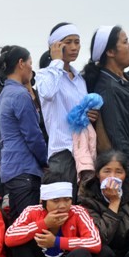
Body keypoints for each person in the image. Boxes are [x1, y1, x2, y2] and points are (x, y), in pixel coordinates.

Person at [82, 26, 129, 185]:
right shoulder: (109, 87)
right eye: (125, 42)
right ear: (110, 52)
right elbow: (118, 134)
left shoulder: (122, 81)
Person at [35, 23, 98, 199]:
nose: (74, 47)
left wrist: (90, 116)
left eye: (77, 42)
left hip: (83, 151)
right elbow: (47, 93)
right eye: (67, 42)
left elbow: (78, 110)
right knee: (62, 208)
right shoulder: (45, 74)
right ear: (55, 45)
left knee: (82, 205)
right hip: (62, 152)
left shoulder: (80, 79)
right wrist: (56, 61)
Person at [0, 45, 48, 221]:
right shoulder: (20, 94)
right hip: (25, 169)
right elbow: (33, 135)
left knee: (17, 227)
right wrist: (45, 160)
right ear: (21, 63)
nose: (32, 68)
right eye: (30, 63)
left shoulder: (4, 94)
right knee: (29, 227)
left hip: (9, 169)